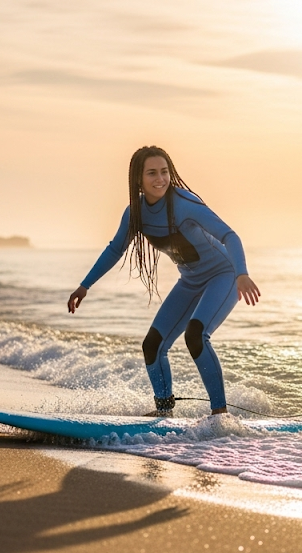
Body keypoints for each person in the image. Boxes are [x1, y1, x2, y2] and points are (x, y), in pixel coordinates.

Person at [68, 146, 261, 417]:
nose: (160, 179)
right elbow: (115, 249)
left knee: (196, 335)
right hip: (191, 281)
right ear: (139, 179)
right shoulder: (135, 213)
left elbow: (230, 235)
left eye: (164, 172)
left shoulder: (184, 203)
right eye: (152, 173)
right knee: (153, 345)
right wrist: (85, 285)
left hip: (224, 275)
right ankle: (164, 413)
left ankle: (220, 415)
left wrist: (241, 273)